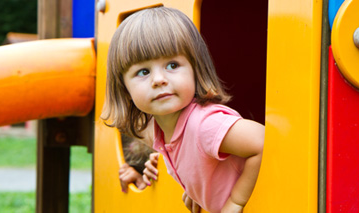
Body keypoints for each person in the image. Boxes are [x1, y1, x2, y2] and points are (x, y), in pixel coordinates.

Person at [102, 7, 264, 213]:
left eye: (172, 65)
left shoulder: (204, 125)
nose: (159, 80)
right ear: (124, 88)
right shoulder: (162, 133)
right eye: (143, 71)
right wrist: (197, 188)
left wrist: (236, 201)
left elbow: (264, 143)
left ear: (196, 69)